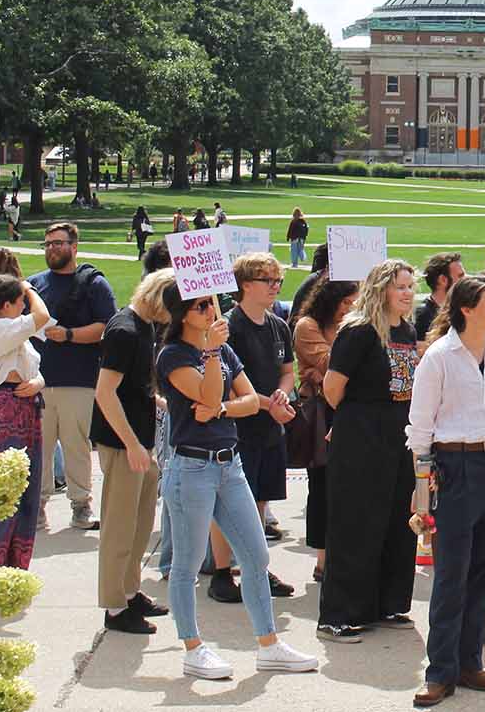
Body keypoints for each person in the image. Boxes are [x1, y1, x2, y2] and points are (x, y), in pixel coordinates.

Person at [156, 280, 318, 679]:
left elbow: (247, 402)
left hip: (230, 464)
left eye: (211, 304)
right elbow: (206, 396)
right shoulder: (173, 355)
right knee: (188, 564)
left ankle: (269, 643)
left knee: (257, 556)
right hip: (191, 467)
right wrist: (211, 357)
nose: (211, 312)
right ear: (181, 316)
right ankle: (192, 647)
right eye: (200, 308)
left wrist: (222, 407)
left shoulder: (224, 350)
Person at [407, 276, 485, 705]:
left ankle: (471, 662)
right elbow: (420, 429)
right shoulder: (438, 357)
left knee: (484, 572)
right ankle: (440, 671)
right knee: (451, 575)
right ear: (466, 310)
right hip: (455, 466)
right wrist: (421, 493)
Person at [317, 260, 420, 643]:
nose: (408, 293)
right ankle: (339, 615)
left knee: (396, 519)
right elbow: (333, 389)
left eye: (411, 286)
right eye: (400, 287)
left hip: (399, 435)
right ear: (381, 289)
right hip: (361, 434)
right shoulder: (358, 331)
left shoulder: (407, 330)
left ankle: (387, 602)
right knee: (356, 523)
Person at [93, 268, 175, 633]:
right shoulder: (124, 330)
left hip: (141, 438)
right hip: (121, 441)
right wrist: (130, 444)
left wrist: (155, 401)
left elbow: (132, 384)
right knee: (119, 527)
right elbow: (105, 392)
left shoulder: (145, 327)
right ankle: (114, 606)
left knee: (141, 524)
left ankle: (130, 590)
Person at [221, 254, 297, 600]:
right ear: (246, 285)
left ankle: (256, 566)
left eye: (277, 280)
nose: (275, 286)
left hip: (269, 426)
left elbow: (287, 370)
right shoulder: (229, 328)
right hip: (238, 427)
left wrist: (280, 397)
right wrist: (270, 404)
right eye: (268, 280)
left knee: (260, 501)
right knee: (230, 502)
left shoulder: (278, 324)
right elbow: (232, 381)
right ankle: (222, 572)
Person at [32, 222, 116, 531]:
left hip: (78, 379)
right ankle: (36, 506)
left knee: (76, 445)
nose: (51, 248)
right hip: (37, 381)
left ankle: (81, 504)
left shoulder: (93, 284)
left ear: (74, 246)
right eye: (47, 244)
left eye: (58, 243)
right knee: (37, 447)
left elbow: (107, 326)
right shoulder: (33, 285)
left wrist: (68, 334)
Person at [0, 276, 49, 578]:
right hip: (2, 412)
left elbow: (36, 370)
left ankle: (13, 571)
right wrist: (28, 289)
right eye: (19, 303)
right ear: (7, 305)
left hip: (27, 410)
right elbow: (41, 316)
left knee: (25, 495)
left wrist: (37, 383)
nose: (23, 307)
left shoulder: (14, 334)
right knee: (1, 496)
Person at [293, 278, 358, 583]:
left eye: (355, 303)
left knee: (351, 487)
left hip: (352, 409)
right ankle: (323, 560)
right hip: (322, 413)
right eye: (346, 303)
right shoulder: (308, 326)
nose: (351, 309)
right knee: (322, 486)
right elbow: (332, 363)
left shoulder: (352, 327)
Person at [415, 252, 465, 342]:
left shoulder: (461, 310)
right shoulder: (423, 316)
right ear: (443, 280)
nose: (466, 280)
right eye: (460, 276)